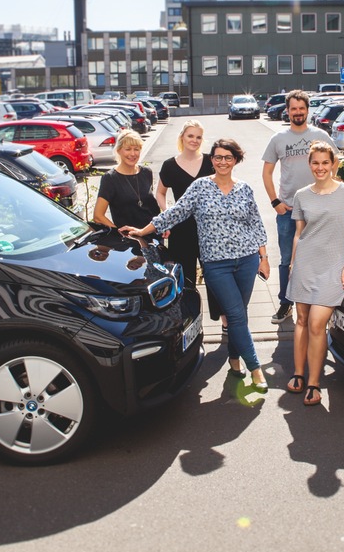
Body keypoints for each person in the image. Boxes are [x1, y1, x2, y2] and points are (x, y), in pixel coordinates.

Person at [123, 138, 269, 389]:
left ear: (236, 160)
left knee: (238, 316)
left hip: (247, 260)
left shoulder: (244, 188)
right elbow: (174, 213)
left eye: (228, 157)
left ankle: (234, 359)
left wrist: (263, 258)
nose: (222, 161)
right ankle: (256, 368)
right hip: (216, 264)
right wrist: (143, 230)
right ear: (211, 160)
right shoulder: (200, 187)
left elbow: (255, 224)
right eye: (218, 157)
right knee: (234, 314)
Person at [286, 142, 344, 407]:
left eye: (325, 163)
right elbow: (299, 234)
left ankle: (314, 383)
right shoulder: (301, 195)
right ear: (310, 165)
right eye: (315, 163)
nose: (320, 168)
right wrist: (293, 265)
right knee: (302, 320)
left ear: (333, 164)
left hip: (334, 265)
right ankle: (298, 373)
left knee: (318, 323)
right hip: (306, 263)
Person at [261, 90, 334, 324]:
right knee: (286, 259)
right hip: (289, 211)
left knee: (319, 257)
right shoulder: (279, 138)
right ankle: (285, 303)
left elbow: (336, 165)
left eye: (302, 108)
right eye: (293, 108)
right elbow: (267, 172)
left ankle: (317, 302)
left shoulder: (320, 135)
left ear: (307, 110)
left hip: (319, 210)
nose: (298, 112)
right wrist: (275, 203)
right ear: (288, 110)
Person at [155, 120, 223, 328]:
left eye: (198, 137)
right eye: (190, 136)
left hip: (209, 229)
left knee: (215, 275)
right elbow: (160, 192)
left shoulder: (211, 162)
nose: (194, 140)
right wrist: (167, 215)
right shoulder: (169, 165)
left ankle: (225, 321)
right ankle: (190, 322)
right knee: (186, 279)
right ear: (182, 137)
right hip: (181, 230)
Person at [93, 130, 160, 229]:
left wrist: (161, 225)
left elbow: (150, 206)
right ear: (119, 150)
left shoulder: (146, 172)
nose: (132, 154)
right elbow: (98, 216)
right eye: (128, 149)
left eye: (136, 149)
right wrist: (120, 234)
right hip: (132, 239)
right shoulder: (110, 178)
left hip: (153, 234)